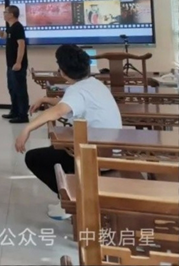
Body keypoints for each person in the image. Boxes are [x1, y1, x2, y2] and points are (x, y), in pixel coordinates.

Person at [15, 44, 122, 220]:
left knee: (34, 158)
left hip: (95, 156)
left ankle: (70, 200)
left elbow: (59, 111)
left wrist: (27, 129)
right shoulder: (94, 84)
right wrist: (44, 99)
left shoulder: (77, 90)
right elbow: (67, 103)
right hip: (111, 152)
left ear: (62, 71)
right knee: (55, 151)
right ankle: (71, 196)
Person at [0, 5, 29, 123]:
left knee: (20, 90)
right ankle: (14, 111)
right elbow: (2, 35)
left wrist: (18, 62)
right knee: (12, 89)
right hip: (10, 65)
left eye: (5, 12)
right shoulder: (11, 28)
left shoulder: (18, 27)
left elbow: (21, 45)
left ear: (11, 14)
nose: (4, 14)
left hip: (17, 65)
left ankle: (23, 115)